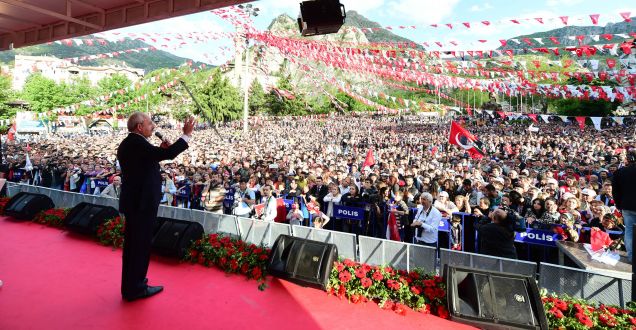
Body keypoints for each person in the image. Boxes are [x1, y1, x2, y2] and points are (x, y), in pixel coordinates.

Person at [117, 112, 194, 302]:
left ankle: (131, 286)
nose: (153, 126)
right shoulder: (137, 143)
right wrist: (186, 134)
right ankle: (136, 288)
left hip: (136, 203)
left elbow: (147, 161)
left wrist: (158, 150)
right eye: (150, 123)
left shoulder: (133, 143)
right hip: (141, 204)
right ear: (139, 127)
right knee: (140, 246)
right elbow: (167, 154)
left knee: (134, 247)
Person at [612, 151, 636, 262]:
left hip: (627, 206)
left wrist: (619, 204)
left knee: (629, 231)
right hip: (627, 206)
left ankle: (632, 258)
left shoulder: (619, 172)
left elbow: (615, 192)